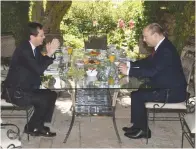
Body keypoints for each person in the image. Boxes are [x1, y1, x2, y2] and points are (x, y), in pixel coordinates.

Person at [118, 23, 187, 139]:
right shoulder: (162, 46)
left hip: (172, 92)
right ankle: (138, 126)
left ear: (155, 35)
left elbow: (152, 72)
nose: (144, 40)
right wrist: (130, 64)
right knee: (137, 92)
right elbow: (148, 61)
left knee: (139, 95)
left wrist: (129, 72)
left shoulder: (166, 50)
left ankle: (144, 131)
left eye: (145, 37)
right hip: (165, 84)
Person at [1, 22, 60, 137]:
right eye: (41, 35)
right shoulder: (24, 50)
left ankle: (40, 124)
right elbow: (38, 70)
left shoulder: (33, 48)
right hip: (16, 92)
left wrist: (49, 55)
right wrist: (49, 53)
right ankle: (31, 128)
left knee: (51, 94)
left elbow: (40, 63)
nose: (44, 37)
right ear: (32, 37)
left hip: (26, 87)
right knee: (43, 100)